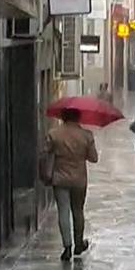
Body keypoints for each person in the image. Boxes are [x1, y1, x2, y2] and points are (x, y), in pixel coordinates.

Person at [45, 108, 99, 261]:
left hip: (60, 178)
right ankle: (78, 244)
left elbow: (46, 152)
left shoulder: (54, 134)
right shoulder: (86, 135)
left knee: (63, 211)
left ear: (63, 117)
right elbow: (94, 158)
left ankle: (67, 246)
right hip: (79, 180)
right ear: (78, 117)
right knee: (78, 211)